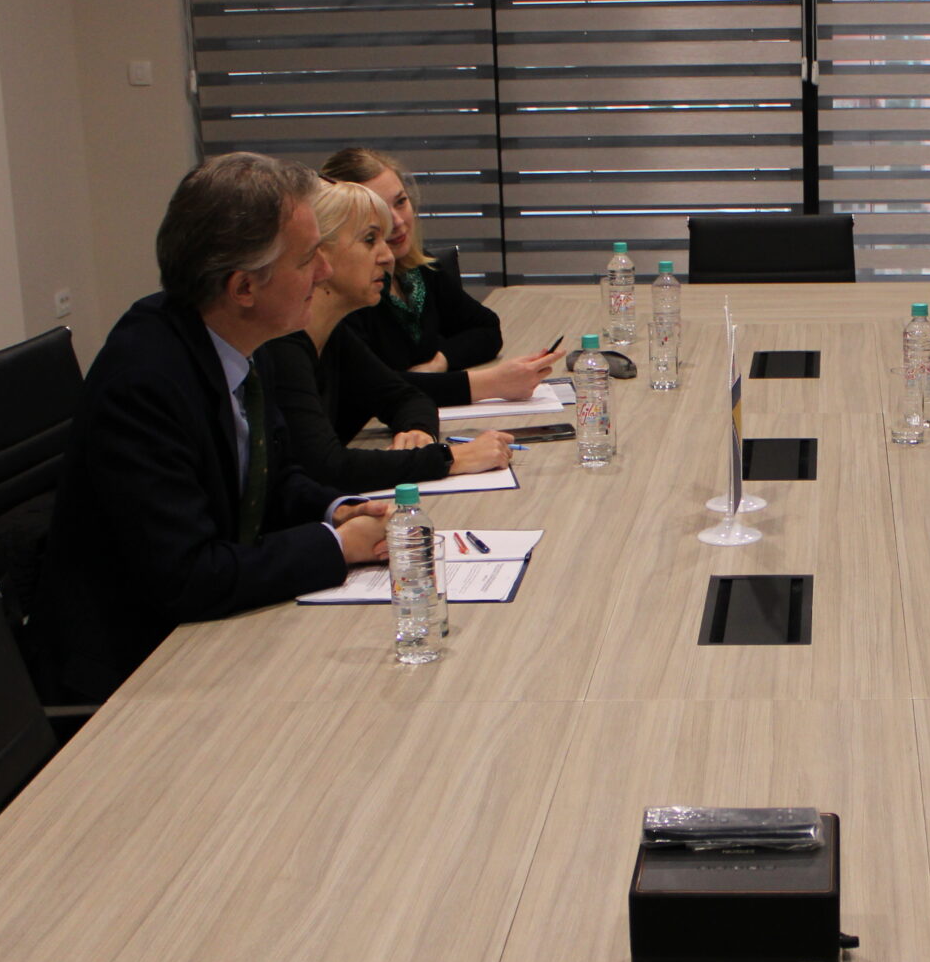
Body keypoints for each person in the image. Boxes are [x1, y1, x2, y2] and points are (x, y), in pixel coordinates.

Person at [34, 154, 394, 703]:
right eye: (307, 258)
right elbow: (189, 576)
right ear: (243, 287)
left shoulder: (241, 337)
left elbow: (271, 478)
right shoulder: (145, 382)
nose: (323, 272)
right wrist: (336, 546)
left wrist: (336, 510)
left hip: (211, 637)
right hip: (135, 675)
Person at [259, 178, 517, 496]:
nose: (388, 257)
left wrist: (418, 432)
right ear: (319, 253)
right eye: (370, 240)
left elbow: (407, 397)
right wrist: (449, 458)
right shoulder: (281, 345)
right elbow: (326, 467)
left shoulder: (333, 334)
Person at [319, 147, 549, 406]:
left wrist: (440, 362)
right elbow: (374, 386)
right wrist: (491, 383)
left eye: (401, 202)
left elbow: (486, 328)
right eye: (379, 213)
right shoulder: (345, 297)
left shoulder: (418, 269)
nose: (397, 221)